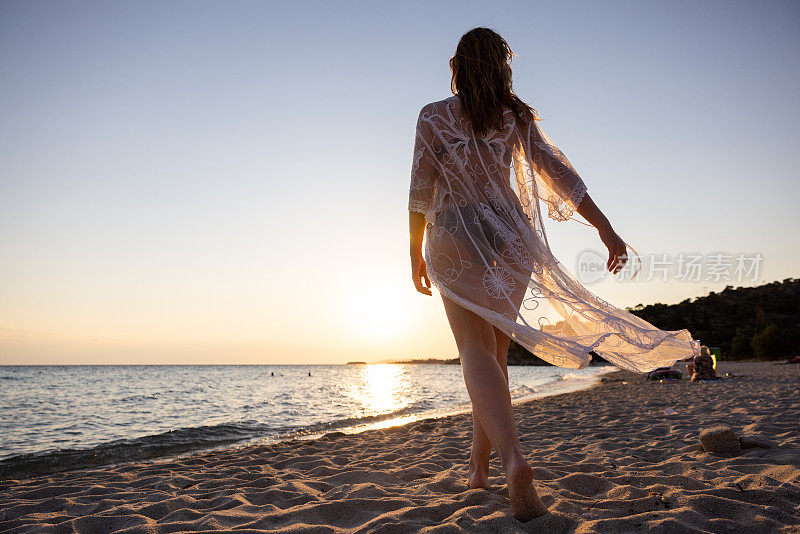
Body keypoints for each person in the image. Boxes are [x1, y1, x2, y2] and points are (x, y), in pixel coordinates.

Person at [407, 28, 701, 521]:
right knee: (494, 355)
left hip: (455, 230)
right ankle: (478, 468)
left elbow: (420, 188)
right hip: (509, 235)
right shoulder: (514, 116)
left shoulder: (433, 116)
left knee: (474, 351)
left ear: (456, 65)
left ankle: (512, 460)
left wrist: (412, 251)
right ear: (504, 68)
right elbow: (559, 174)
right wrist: (605, 228)